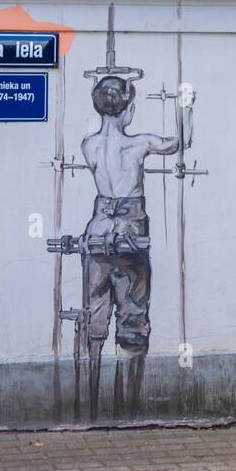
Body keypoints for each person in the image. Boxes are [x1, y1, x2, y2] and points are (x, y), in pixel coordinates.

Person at [80, 74, 193, 418]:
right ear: (128, 109)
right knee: (132, 320)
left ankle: (89, 405)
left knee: (94, 319)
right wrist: (185, 105)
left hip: (98, 233)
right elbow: (181, 142)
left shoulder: (89, 145)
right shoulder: (138, 144)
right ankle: (125, 408)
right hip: (130, 236)